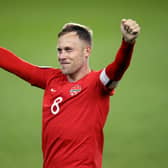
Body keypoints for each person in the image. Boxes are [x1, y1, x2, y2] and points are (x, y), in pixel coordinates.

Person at [0, 19, 140, 168]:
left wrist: (127, 43)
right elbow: (16, 65)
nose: (62, 56)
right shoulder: (51, 78)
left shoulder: (98, 83)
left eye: (68, 50)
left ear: (87, 51)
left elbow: (119, 67)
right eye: (59, 50)